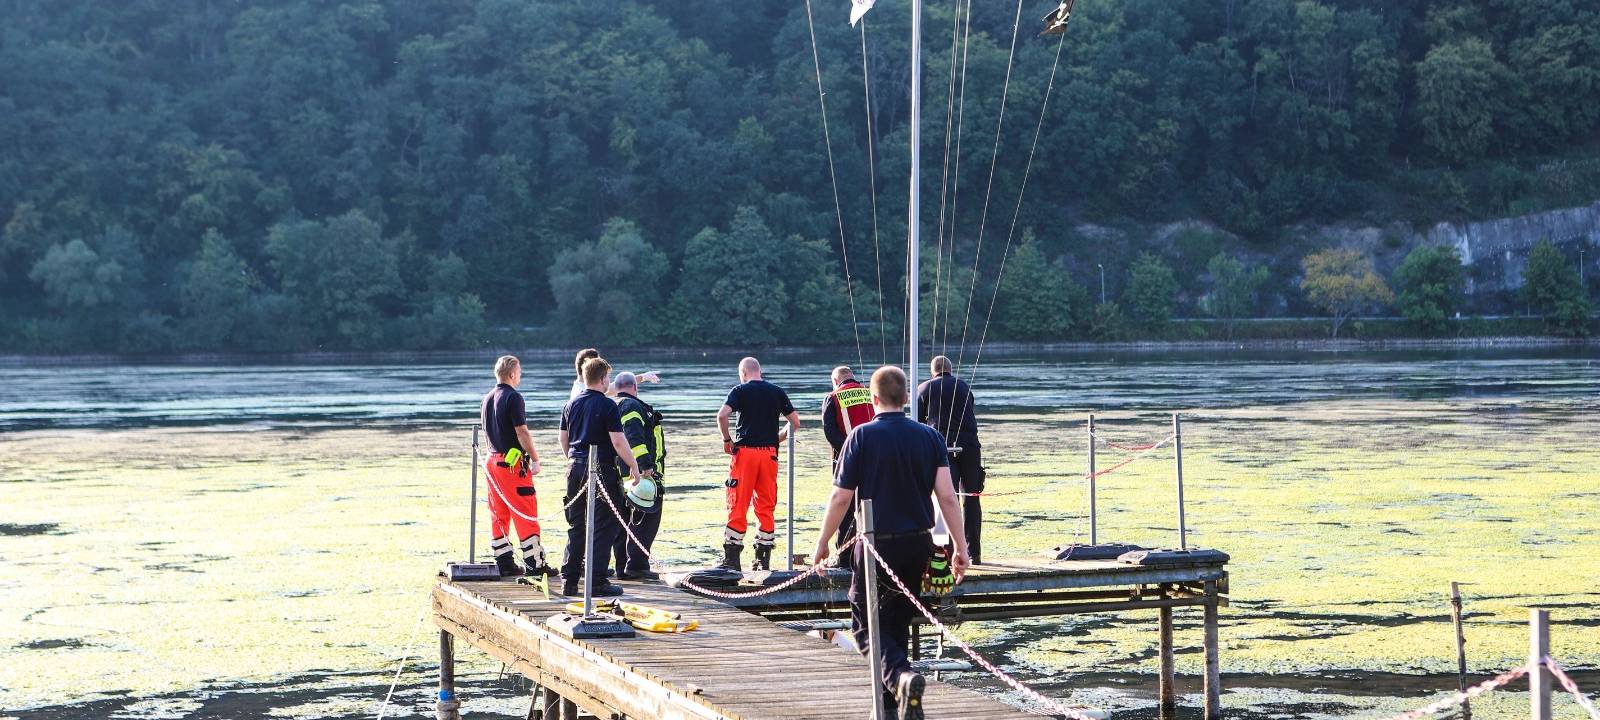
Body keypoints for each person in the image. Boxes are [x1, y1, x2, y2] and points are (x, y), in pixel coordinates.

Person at [811, 366, 971, 720]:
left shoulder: (861, 437)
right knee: (895, 625)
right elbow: (947, 497)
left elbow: (840, 498)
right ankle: (889, 705)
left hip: (873, 546)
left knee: (864, 626)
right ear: (906, 398)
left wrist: (822, 542)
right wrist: (961, 548)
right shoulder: (930, 437)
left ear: (874, 399)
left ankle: (901, 679)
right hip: (918, 544)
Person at [558, 356, 642, 597]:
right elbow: (618, 440)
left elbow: (563, 439)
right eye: (608, 378)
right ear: (603, 379)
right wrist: (633, 467)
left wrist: (573, 460)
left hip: (574, 467)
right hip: (601, 468)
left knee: (576, 524)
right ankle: (596, 581)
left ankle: (570, 581)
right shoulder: (607, 405)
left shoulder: (570, 404)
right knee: (604, 525)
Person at [715, 357, 800, 571]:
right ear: (759, 371)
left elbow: (722, 415)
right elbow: (795, 423)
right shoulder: (777, 391)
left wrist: (727, 440)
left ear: (743, 373)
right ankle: (762, 561)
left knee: (738, 503)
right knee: (766, 506)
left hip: (745, 454)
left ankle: (732, 561)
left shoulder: (740, 391)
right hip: (769, 455)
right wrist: (775, 439)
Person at [479, 355, 555, 577]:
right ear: (512, 374)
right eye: (519, 371)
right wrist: (535, 458)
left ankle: (504, 561)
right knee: (525, 511)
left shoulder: (487, 398)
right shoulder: (514, 397)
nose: (521, 375)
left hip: (491, 460)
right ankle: (535, 564)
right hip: (511, 464)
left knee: (498, 513)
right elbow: (521, 431)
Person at [915, 355, 986, 564]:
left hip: (941, 446)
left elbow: (918, 424)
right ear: (950, 369)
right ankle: (974, 552)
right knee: (972, 497)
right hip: (970, 447)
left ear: (933, 371)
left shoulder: (924, 389)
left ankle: (946, 552)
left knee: (946, 498)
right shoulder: (964, 387)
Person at [610, 371, 666, 581]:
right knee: (647, 516)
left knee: (624, 520)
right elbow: (634, 437)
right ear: (635, 387)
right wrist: (645, 465)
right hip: (640, 474)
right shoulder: (631, 406)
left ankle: (623, 566)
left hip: (622, 473)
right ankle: (637, 565)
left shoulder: (613, 404)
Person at [820, 365, 875, 549]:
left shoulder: (833, 397)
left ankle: (844, 554)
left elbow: (830, 431)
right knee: (869, 503)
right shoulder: (870, 393)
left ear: (836, 381)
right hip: (873, 457)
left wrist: (848, 451)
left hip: (845, 458)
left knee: (845, 506)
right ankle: (870, 548)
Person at [568, 347, 660, 400]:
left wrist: (644, 377)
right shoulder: (581, 394)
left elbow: (618, 386)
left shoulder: (587, 388)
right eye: (599, 363)